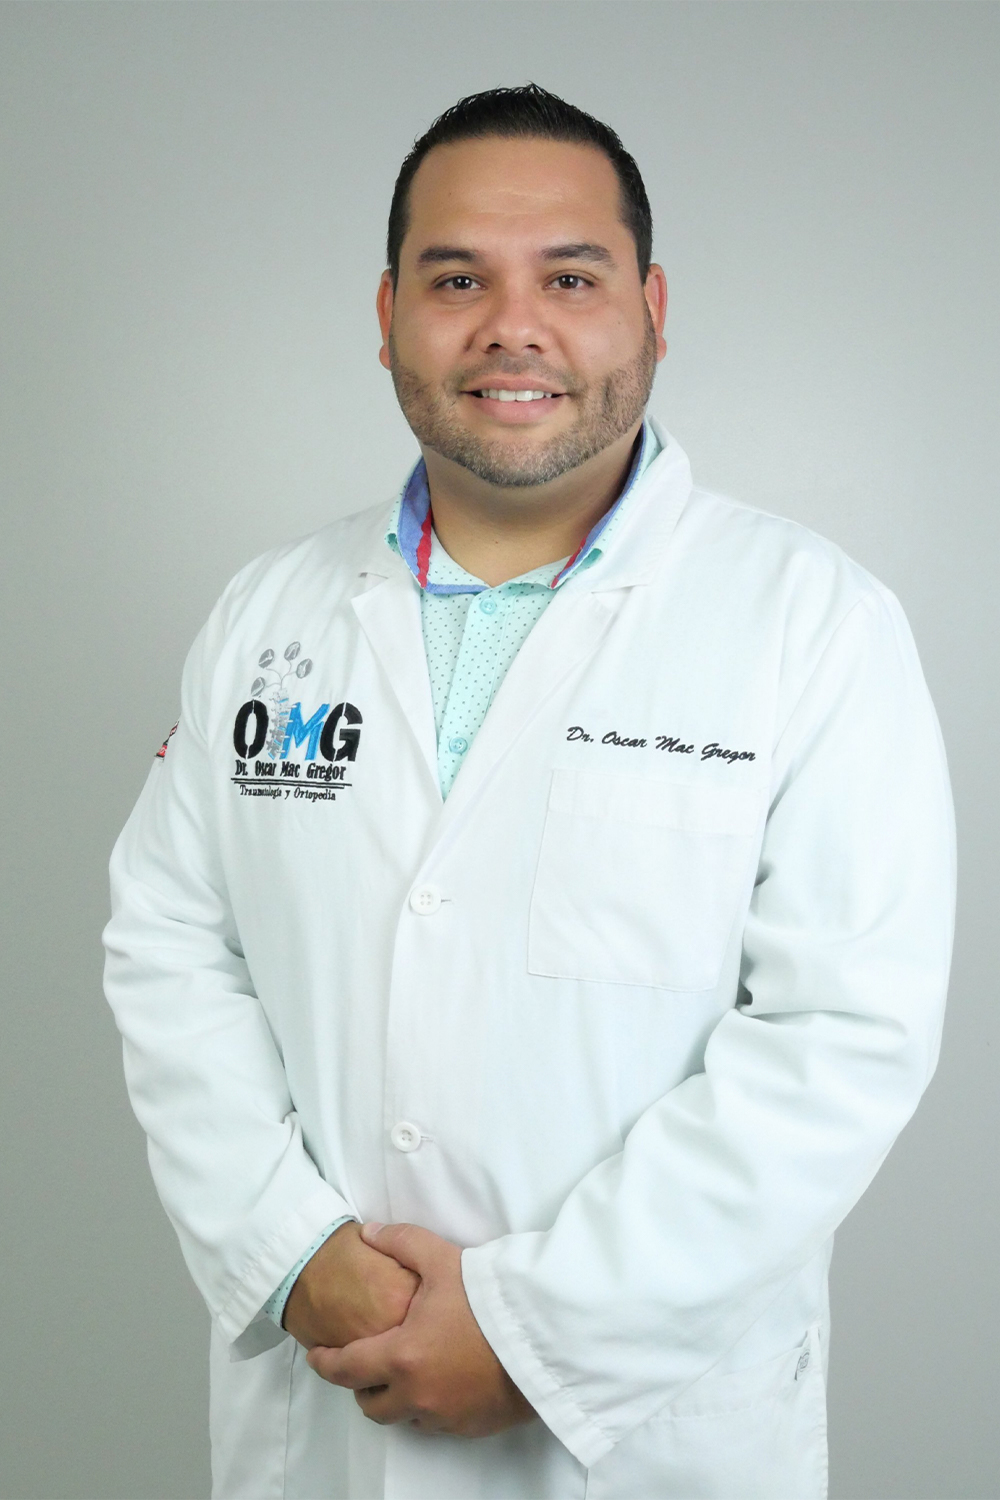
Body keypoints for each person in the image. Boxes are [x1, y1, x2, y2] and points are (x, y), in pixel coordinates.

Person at [103, 84, 955, 1500]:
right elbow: (170, 946)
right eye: (457, 281)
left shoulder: (813, 624)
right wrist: (289, 1252)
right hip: (329, 1405)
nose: (513, 326)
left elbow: (840, 1035)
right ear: (388, 315)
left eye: (570, 278)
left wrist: (533, 1331)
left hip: (645, 1435)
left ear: (651, 310)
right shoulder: (268, 614)